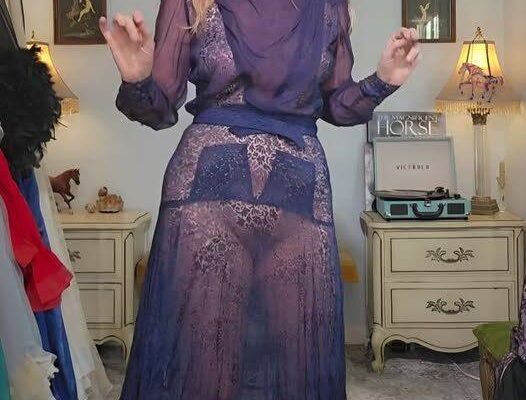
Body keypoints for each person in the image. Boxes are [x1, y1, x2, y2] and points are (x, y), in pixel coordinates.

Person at [100, 0, 420, 398]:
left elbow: (337, 105)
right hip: (208, 197)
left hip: (298, 196)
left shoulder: (330, 5)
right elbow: (160, 108)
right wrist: (137, 80)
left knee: (300, 365)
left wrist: (382, 80)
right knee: (204, 368)